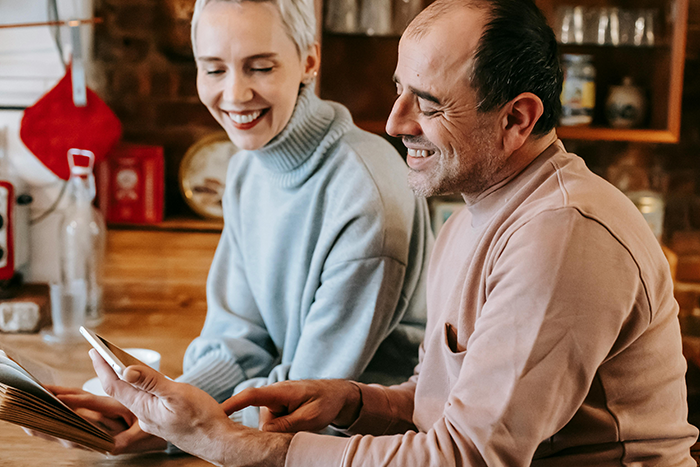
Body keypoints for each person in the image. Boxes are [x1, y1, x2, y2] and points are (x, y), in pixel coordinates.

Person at [85, 0, 699, 465]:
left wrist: (227, 441)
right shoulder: (475, 211)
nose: (394, 120)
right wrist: (353, 400)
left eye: (427, 103)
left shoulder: (561, 234)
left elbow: (466, 457)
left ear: (517, 118)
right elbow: (450, 399)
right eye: (398, 90)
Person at [40, 0, 432, 454]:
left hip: (363, 447)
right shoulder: (249, 166)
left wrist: (174, 426)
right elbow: (240, 337)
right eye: (213, 70)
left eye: (260, 67)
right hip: (267, 430)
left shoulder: (366, 195)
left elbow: (310, 402)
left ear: (309, 60)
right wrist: (154, 403)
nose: (235, 94)